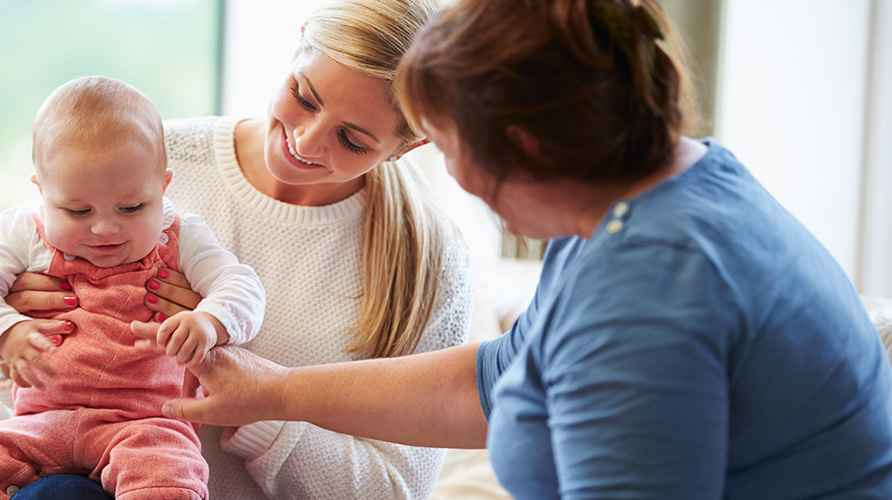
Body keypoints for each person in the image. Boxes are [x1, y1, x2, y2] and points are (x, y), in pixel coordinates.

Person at [143, 0, 892, 498]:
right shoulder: (651, 194)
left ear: (523, 146)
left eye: (445, 143)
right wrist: (273, 393)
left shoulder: (653, 295)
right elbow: (503, 379)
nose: (455, 179)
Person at [1, 1, 475, 498]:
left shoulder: (431, 259)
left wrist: (264, 408)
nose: (306, 142)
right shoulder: (151, 161)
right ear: (299, 43)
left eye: (352, 140)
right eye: (304, 97)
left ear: (408, 147)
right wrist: (16, 330)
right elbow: (25, 408)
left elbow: (396, 489)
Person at [0, 75, 266, 500]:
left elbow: (243, 287)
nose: (105, 228)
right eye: (77, 210)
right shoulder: (23, 233)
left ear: (163, 188)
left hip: (144, 426)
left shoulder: (183, 238)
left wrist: (211, 321)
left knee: (170, 483)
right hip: (39, 421)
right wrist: (5, 329)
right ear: (42, 192)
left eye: (131, 207)